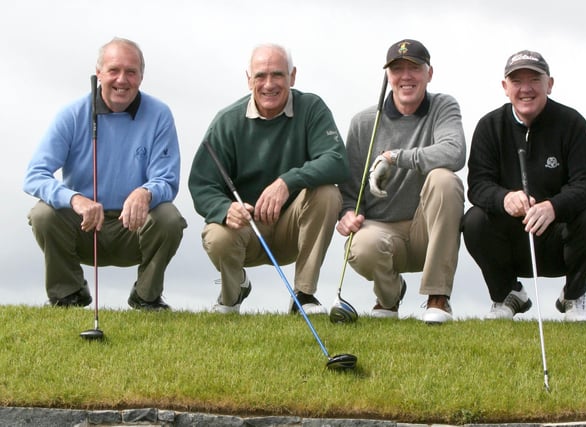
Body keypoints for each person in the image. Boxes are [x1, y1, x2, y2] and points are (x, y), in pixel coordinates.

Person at [24, 37, 187, 310]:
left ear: (141, 76)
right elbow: (35, 175)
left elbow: (167, 180)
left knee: (169, 218)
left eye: (131, 72)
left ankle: (147, 297)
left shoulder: (159, 114)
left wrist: (145, 192)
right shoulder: (72, 114)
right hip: (85, 226)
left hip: (133, 227)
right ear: (99, 73)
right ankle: (68, 293)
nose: (122, 79)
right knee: (42, 214)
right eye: (113, 70)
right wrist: (75, 199)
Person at [188, 43, 349, 314]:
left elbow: (337, 161)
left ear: (292, 76)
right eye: (260, 76)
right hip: (247, 230)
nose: (269, 84)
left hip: (293, 226)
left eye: (278, 75)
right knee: (216, 235)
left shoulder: (312, 108)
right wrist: (225, 209)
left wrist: (287, 182)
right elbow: (202, 184)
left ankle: (304, 295)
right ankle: (233, 292)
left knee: (328, 193)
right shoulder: (226, 121)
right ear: (248, 79)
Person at [462, 49, 586, 322]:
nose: (526, 89)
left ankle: (574, 295)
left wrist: (553, 206)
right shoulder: (489, 126)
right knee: (473, 221)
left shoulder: (572, 123)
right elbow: (478, 185)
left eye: (535, 80)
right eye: (517, 81)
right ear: (505, 88)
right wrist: (504, 199)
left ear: (549, 84)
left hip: (558, 237)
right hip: (512, 240)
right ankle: (507, 294)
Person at [336, 39, 466, 323]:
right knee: (360, 247)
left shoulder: (443, 106)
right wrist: (348, 214)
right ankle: (389, 297)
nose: (406, 76)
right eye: (397, 69)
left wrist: (395, 157)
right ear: (388, 76)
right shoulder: (363, 122)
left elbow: (454, 153)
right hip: (381, 230)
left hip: (426, 231)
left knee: (445, 179)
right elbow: (349, 190)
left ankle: (437, 297)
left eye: (414, 68)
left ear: (429, 74)